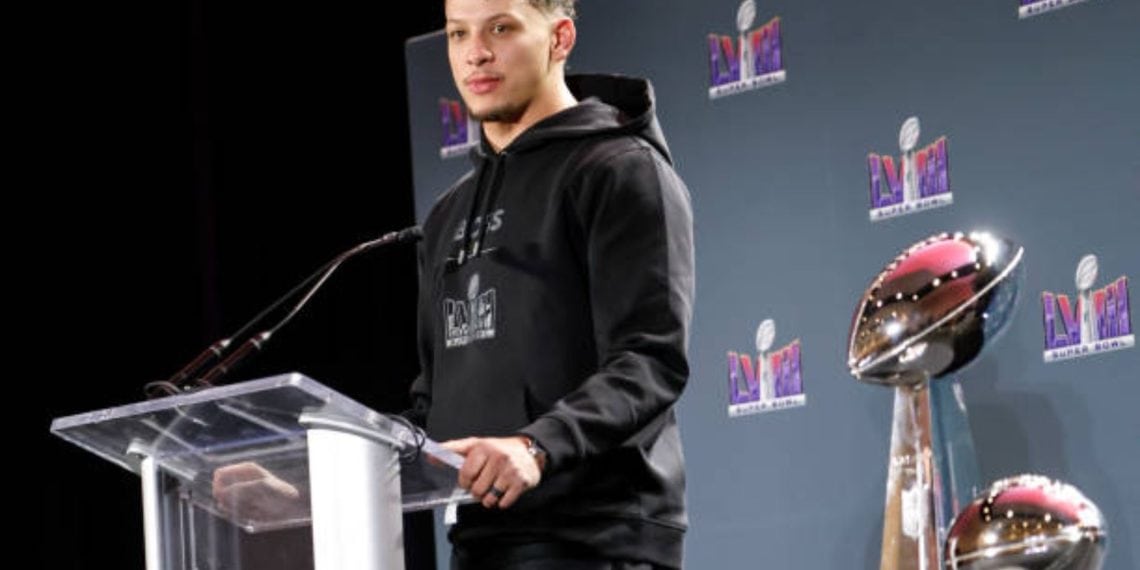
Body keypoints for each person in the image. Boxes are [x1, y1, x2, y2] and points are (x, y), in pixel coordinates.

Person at [406, 0, 695, 568]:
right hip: (479, 540)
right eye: (457, 33)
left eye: (501, 28)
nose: (475, 52)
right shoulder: (446, 215)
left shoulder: (619, 169)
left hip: (595, 540)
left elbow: (650, 360)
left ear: (560, 38)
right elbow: (429, 407)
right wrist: (305, 476)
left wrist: (536, 446)